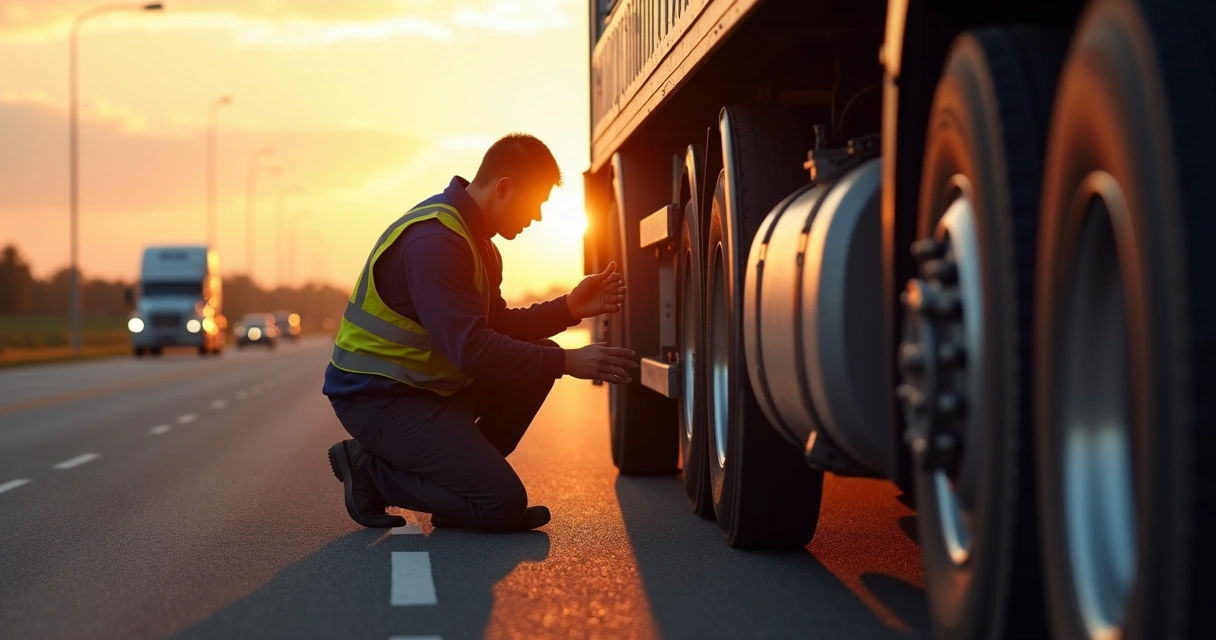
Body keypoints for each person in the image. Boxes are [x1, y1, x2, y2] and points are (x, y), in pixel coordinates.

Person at [324, 133, 638, 532]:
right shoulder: (435, 241)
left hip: (425, 393)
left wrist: (570, 307)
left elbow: (496, 326)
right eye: (536, 202)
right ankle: (368, 470)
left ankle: (461, 492)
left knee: (539, 358)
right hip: (379, 399)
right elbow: (471, 349)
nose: (538, 216)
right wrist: (567, 361)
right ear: (504, 188)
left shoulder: (479, 243)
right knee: (501, 505)